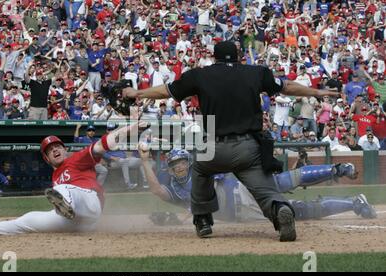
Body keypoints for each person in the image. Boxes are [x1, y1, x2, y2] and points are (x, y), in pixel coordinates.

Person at [123, 41, 340, 241]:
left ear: (214, 58)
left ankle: (204, 220)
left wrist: (137, 93)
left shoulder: (200, 75)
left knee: (199, 170)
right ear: (238, 56)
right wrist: (317, 91)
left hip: (215, 148)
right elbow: (287, 87)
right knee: (264, 189)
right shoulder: (256, 72)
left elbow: (166, 91)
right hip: (248, 147)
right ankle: (278, 208)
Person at [0, 122, 143, 236]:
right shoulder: (55, 175)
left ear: (65, 149)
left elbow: (102, 145)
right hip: (74, 222)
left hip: (90, 204)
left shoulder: (77, 158)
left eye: (58, 146)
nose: (55, 149)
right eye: (50, 150)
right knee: (26, 220)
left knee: (64, 190)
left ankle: (65, 204)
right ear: (46, 158)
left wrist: (129, 128)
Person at [139, 148, 375, 226]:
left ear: (188, 163)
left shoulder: (201, 170)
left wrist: (179, 218)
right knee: (300, 211)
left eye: (180, 163)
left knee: (284, 180)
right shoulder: (177, 192)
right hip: (245, 214)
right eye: (174, 165)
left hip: (242, 190)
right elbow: (156, 190)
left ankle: (337, 169)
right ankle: (355, 203)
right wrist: (144, 160)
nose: (178, 168)